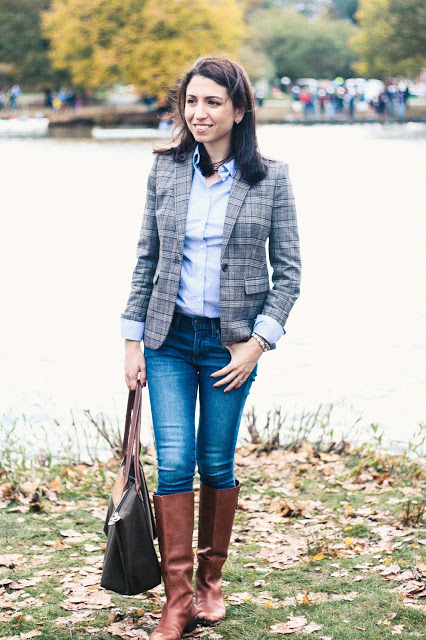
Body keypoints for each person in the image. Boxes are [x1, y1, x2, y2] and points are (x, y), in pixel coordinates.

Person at [121, 56, 301, 640]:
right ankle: (176, 601)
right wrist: (131, 341)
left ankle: (210, 581)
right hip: (167, 339)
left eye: (213, 103)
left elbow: (289, 273)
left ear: (239, 110)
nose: (198, 113)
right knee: (173, 462)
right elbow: (146, 259)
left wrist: (257, 344)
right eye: (190, 101)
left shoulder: (270, 178)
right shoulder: (165, 171)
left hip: (231, 347)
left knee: (215, 462)